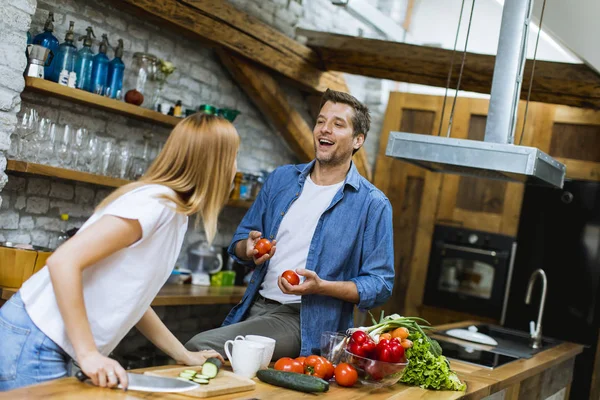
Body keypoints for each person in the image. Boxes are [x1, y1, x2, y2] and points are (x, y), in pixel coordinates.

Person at [0, 113, 238, 392]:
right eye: (234, 156)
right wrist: (89, 354)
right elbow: (63, 262)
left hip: (46, 341)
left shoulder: (175, 214)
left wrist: (183, 355)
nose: (236, 167)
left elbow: (135, 302)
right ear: (215, 164)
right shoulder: (155, 204)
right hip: (36, 337)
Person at [186, 89, 394, 359]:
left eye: (337, 124)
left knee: (198, 348)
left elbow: (380, 284)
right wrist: (248, 249)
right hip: (254, 304)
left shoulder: (372, 204)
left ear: (357, 140)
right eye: (320, 121)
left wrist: (323, 287)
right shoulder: (281, 179)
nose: (324, 129)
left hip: (303, 320)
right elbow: (239, 240)